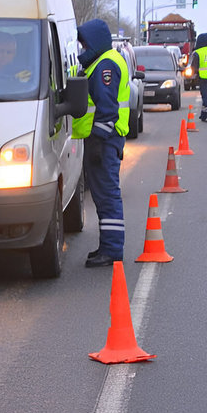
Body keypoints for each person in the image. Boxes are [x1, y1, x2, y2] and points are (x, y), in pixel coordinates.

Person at [72, 19, 129, 268]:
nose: (82, 49)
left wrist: (96, 142)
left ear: (94, 42)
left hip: (104, 140)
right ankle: (108, 246)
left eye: (84, 44)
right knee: (102, 195)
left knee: (107, 196)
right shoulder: (102, 62)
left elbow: (107, 110)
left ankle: (113, 250)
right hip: (103, 140)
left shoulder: (105, 65)